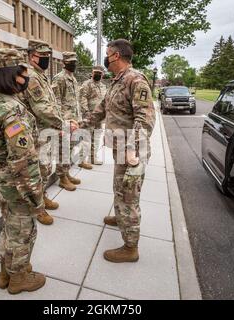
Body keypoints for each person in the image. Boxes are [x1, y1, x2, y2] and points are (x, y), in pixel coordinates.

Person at [0, 48, 46, 295]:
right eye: (23, 73)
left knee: (9, 225)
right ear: (11, 75)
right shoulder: (12, 110)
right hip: (17, 182)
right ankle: (19, 278)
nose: (26, 78)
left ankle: (5, 271)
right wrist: (36, 196)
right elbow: (23, 159)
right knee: (23, 230)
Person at [82, 39, 155, 263]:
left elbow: (145, 119)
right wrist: (82, 123)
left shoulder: (135, 80)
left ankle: (130, 247)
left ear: (116, 56)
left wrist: (133, 149)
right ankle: (120, 216)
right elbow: (101, 108)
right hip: (119, 147)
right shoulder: (116, 81)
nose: (105, 60)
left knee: (129, 197)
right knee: (119, 187)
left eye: (107, 54)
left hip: (131, 151)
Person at [21, 40, 78, 224]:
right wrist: (62, 124)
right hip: (36, 132)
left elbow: (50, 104)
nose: (45, 59)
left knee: (44, 169)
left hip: (44, 129)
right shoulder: (31, 76)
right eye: (42, 56)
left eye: (47, 56)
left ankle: (42, 197)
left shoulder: (40, 75)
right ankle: (37, 208)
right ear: (31, 56)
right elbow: (41, 108)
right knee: (37, 171)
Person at [79, 66, 107, 165]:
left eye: (100, 73)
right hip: (89, 115)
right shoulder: (86, 84)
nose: (98, 75)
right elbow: (83, 98)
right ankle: (82, 160)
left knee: (97, 137)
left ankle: (93, 158)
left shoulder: (103, 86)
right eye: (96, 72)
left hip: (99, 117)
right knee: (87, 137)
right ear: (92, 72)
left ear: (103, 74)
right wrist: (86, 112)